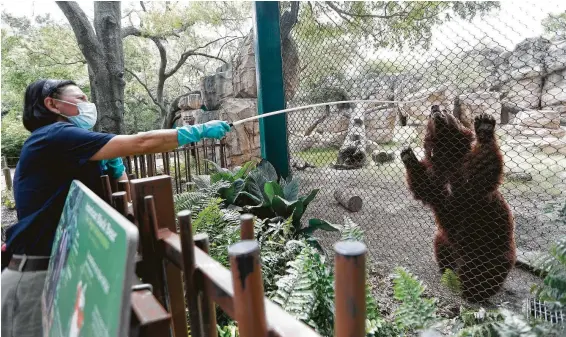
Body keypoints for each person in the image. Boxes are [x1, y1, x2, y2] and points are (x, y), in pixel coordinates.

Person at [0, 79, 231, 337]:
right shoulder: (53, 136)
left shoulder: (64, 144)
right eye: (81, 99)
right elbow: (142, 143)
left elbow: (124, 195)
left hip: (59, 272)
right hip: (35, 279)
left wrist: (116, 172)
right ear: (52, 104)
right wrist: (198, 131)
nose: (90, 105)